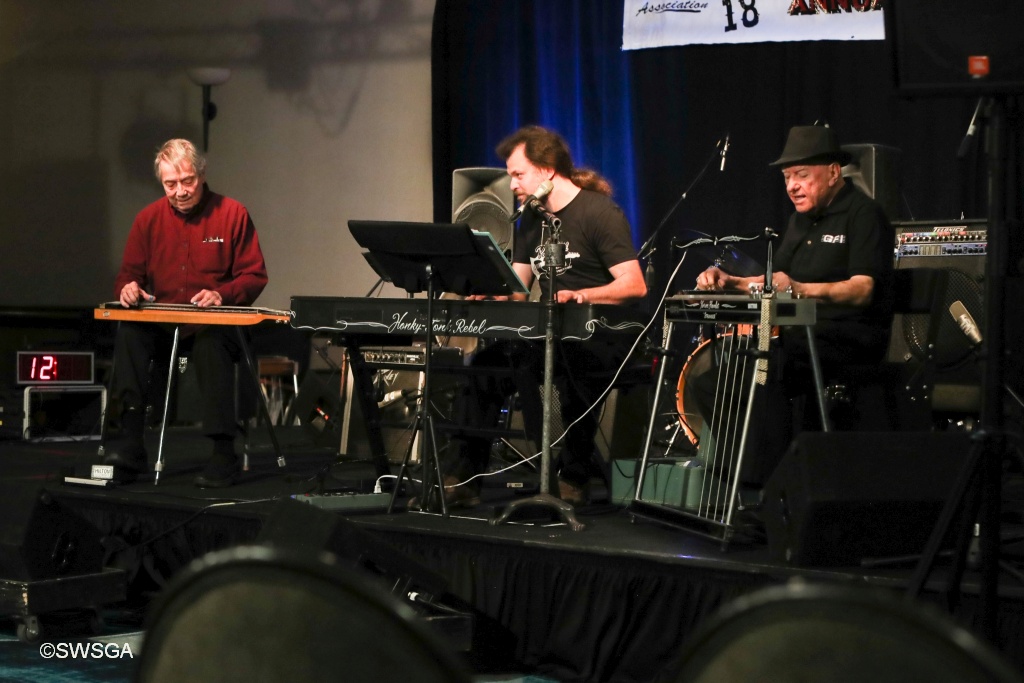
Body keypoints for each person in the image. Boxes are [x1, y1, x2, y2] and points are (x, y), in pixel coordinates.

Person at [418, 125, 647, 510]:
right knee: (485, 367)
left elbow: (634, 285)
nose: (512, 185)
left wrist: (581, 295)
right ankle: (465, 477)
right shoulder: (531, 221)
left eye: (518, 174)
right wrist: (492, 293)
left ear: (548, 170)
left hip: (599, 335)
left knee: (574, 371)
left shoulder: (599, 213)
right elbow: (518, 290)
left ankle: (573, 476)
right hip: (550, 333)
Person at [694, 124, 895, 486]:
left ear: (833, 172)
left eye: (802, 175)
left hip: (849, 337)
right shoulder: (799, 221)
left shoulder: (864, 214)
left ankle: (767, 482)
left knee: (772, 366)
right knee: (711, 382)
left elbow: (863, 289)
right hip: (800, 338)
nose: (792, 186)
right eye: (787, 177)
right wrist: (729, 280)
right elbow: (776, 279)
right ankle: (750, 476)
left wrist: (802, 288)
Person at [103, 139, 269, 488]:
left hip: (215, 325)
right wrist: (128, 288)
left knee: (211, 342)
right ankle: (130, 444)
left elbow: (254, 276)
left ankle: (223, 453)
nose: (180, 191)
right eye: (170, 184)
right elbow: (127, 275)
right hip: (165, 325)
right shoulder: (148, 219)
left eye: (187, 181)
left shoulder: (232, 213)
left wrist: (222, 295)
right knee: (130, 332)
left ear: (202, 174)